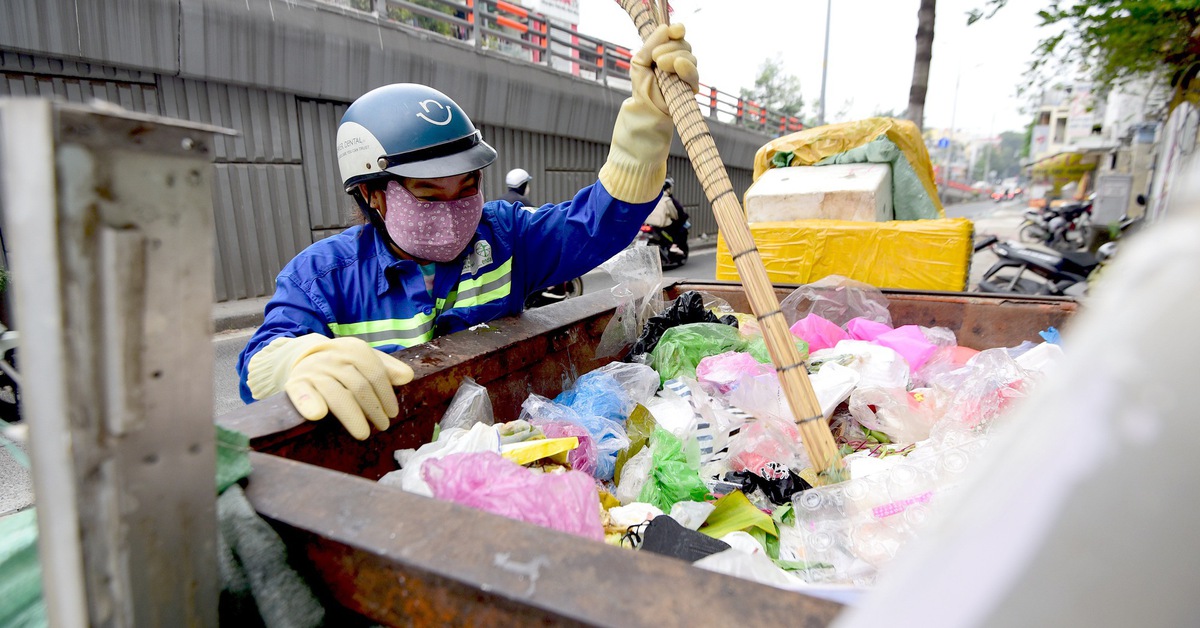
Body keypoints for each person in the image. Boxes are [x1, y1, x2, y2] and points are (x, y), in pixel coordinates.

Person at [236, 24, 699, 440]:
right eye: (429, 195)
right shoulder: (322, 277)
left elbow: (598, 223)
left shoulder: (506, 237)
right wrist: (296, 361)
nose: (455, 209)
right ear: (372, 194)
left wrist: (647, 125)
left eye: (468, 186)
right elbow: (261, 360)